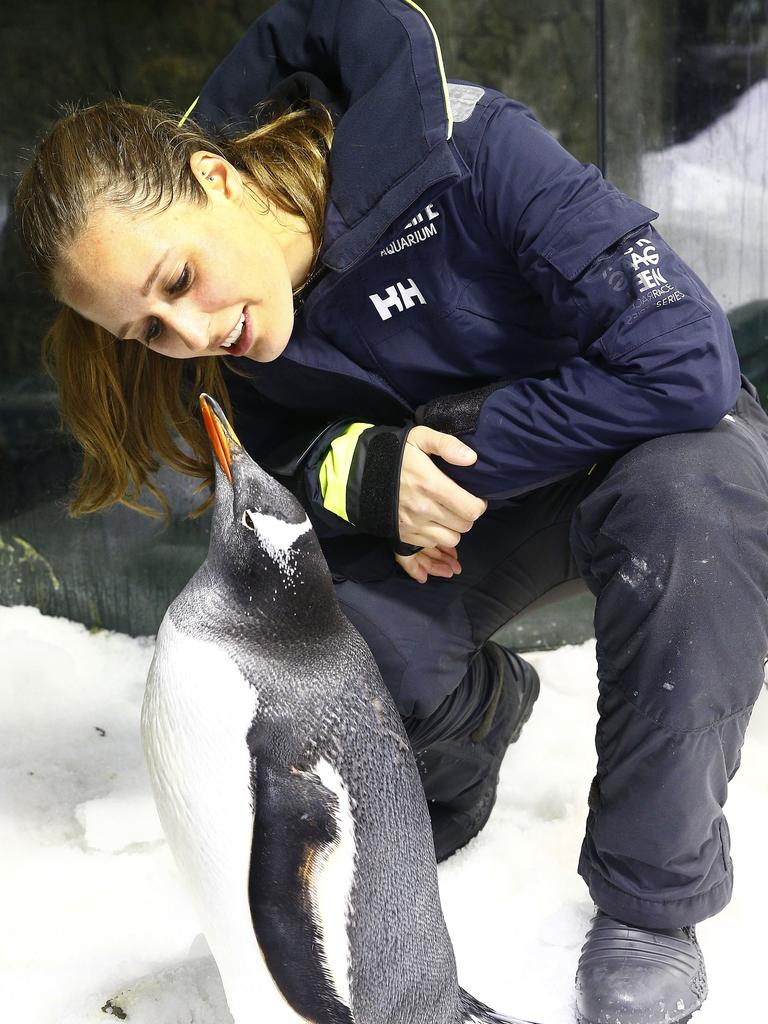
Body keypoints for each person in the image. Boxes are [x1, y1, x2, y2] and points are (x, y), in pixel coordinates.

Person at [14, 1, 768, 1021]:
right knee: (340, 655)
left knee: (700, 514)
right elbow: (292, 470)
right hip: (467, 529)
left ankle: (651, 898)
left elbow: (686, 359)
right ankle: (476, 733)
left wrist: (466, 448)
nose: (191, 329)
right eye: (149, 328)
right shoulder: (239, 338)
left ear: (218, 177)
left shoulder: (472, 152)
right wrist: (371, 481)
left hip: (652, 452)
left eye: (180, 280)